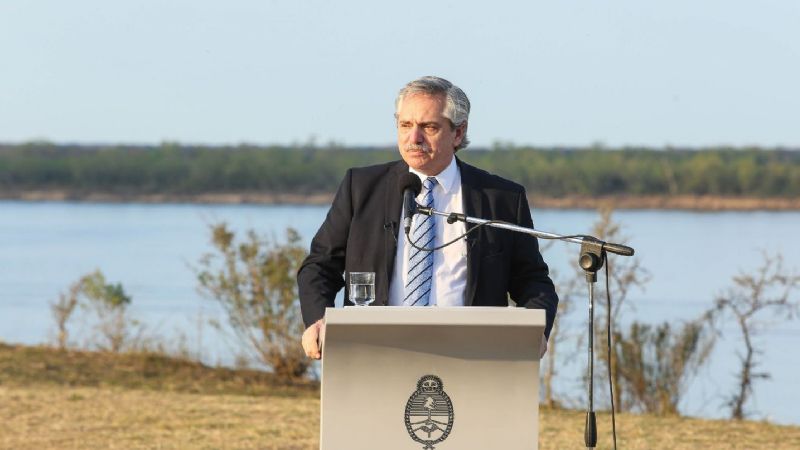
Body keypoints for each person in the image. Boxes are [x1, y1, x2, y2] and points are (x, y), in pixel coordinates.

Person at [297, 76, 558, 359]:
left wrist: (535, 330)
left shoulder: (501, 199)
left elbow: (533, 281)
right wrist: (318, 321)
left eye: (429, 127)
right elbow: (319, 266)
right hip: (376, 352)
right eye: (405, 125)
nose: (414, 138)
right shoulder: (361, 188)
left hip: (470, 357)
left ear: (458, 133)